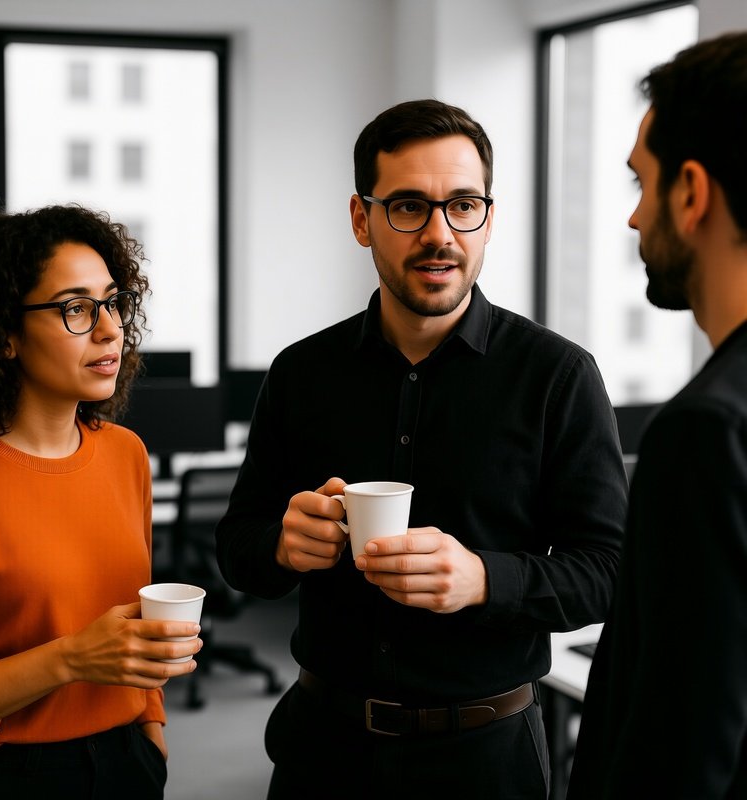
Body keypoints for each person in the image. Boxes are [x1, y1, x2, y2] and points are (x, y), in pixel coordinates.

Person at [216, 99, 628, 799]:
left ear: (489, 219)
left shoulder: (559, 376)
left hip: (486, 761)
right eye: (408, 206)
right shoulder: (302, 372)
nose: (440, 234)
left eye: (463, 205)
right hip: (323, 753)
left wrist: (484, 579)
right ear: (360, 218)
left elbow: (610, 571)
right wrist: (282, 547)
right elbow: (237, 550)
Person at [0, 205, 202, 799]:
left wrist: (149, 724)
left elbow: (132, 625)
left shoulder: (125, 454)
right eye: (75, 309)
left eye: (112, 303)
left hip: (125, 765)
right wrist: (69, 660)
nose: (110, 328)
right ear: (3, 334)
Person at [567, 31, 747, 799]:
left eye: (643, 184)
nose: (636, 219)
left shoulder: (705, 431)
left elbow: (684, 738)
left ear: (692, 192)